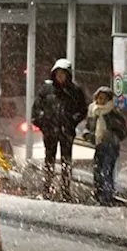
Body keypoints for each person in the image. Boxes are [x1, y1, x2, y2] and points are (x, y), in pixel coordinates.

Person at [30, 58, 87, 200]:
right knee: (49, 160)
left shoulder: (75, 91)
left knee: (66, 162)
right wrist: (43, 123)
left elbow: (82, 110)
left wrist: (72, 121)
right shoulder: (47, 89)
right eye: (58, 74)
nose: (60, 77)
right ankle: (47, 189)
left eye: (63, 74)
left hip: (66, 132)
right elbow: (36, 109)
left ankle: (65, 190)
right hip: (50, 132)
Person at [84, 86, 127, 206]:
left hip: (111, 146)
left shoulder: (113, 113)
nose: (100, 101)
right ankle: (99, 194)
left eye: (103, 98)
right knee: (97, 170)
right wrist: (88, 135)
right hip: (99, 145)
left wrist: (111, 135)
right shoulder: (94, 111)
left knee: (106, 170)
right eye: (99, 98)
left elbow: (123, 131)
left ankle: (107, 196)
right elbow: (89, 128)